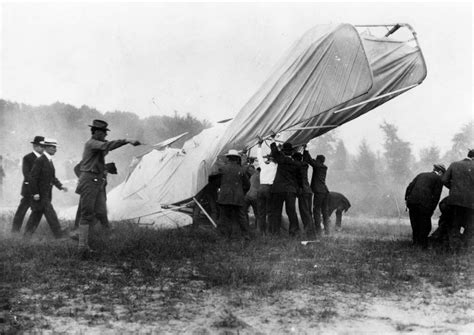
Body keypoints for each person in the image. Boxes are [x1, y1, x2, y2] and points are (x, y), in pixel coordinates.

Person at [76, 119, 141, 253]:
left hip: (96, 181)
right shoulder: (92, 143)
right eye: (104, 132)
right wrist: (127, 140)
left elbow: (107, 145)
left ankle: (96, 236)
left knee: (100, 210)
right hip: (89, 180)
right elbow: (108, 146)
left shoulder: (98, 144)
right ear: (97, 132)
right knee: (86, 213)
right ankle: (82, 246)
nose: (106, 135)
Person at [23, 139, 68, 238]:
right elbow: (32, 177)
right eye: (53, 147)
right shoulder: (40, 160)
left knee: (36, 215)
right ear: (46, 147)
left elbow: (52, 177)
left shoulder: (48, 160)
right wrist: (35, 193)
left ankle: (26, 237)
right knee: (51, 214)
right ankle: (59, 235)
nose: (55, 149)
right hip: (41, 195)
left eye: (55, 147)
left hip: (45, 194)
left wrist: (60, 186)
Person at [405, 164, 446, 248]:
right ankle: (422, 245)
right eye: (443, 174)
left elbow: (409, 187)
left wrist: (407, 199)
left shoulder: (421, 174)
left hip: (412, 202)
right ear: (440, 172)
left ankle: (415, 243)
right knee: (426, 226)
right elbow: (436, 197)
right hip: (424, 204)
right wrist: (432, 209)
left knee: (415, 223)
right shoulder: (438, 179)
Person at [442, 149, 474, 250]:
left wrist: (454, 189)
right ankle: (465, 248)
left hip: (454, 201)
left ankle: (454, 249)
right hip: (471, 203)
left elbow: (443, 180)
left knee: (455, 225)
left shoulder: (454, 164)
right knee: (470, 226)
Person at [11, 136, 45, 233]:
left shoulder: (44, 158)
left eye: (44, 146)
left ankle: (28, 233)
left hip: (40, 191)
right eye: (41, 146)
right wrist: (34, 191)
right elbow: (27, 175)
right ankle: (14, 231)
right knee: (21, 211)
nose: (43, 148)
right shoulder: (27, 158)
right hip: (28, 190)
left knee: (37, 212)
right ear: (35, 146)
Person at [269, 139, 302, 236]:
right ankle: (294, 232)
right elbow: (299, 179)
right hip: (290, 190)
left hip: (278, 189)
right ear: (292, 152)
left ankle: (275, 232)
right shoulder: (296, 164)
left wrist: (272, 139)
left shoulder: (281, 159)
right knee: (291, 211)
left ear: (283, 152)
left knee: (276, 211)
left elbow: (274, 151)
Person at [216, 149, 250, 239]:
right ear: (237, 159)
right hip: (238, 197)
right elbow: (247, 185)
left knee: (224, 217)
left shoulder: (222, 169)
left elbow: (217, 182)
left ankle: (225, 236)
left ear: (228, 158)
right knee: (241, 216)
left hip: (225, 196)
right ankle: (246, 235)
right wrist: (242, 192)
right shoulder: (241, 170)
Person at [303, 150, 330, 235]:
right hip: (325, 191)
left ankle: (318, 230)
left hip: (319, 191)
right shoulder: (324, 167)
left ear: (318, 161)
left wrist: (305, 151)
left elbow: (310, 161)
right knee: (324, 211)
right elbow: (312, 161)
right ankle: (327, 231)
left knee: (316, 210)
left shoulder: (318, 166)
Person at [292, 149, 316, 238]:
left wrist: (299, 189)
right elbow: (305, 159)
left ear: (295, 159)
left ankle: (308, 233)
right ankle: (312, 232)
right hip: (308, 191)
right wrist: (305, 149)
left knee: (304, 212)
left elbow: (299, 179)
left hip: (303, 192)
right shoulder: (305, 165)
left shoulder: (296, 165)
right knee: (309, 212)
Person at [256, 139, 277, 235]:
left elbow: (259, 157)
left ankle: (262, 232)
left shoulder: (263, 165)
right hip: (269, 188)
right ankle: (270, 232)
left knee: (261, 212)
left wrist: (259, 146)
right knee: (270, 211)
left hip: (261, 188)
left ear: (268, 159)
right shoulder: (275, 166)